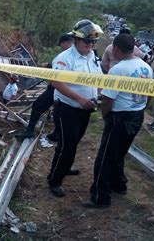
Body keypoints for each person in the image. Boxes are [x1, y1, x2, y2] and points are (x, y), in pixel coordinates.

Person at [82, 34, 153, 208]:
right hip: (137, 115)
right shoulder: (145, 67)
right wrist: (142, 107)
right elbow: (151, 93)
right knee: (119, 152)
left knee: (105, 158)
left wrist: (106, 116)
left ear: (116, 49)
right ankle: (119, 185)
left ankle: (100, 196)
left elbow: (107, 100)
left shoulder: (119, 70)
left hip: (120, 117)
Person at [47, 19, 103, 198]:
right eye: (88, 42)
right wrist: (79, 98)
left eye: (94, 42)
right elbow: (56, 82)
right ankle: (54, 179)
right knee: (67, 145)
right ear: (77, 40)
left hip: (86, 108)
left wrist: (100, 94)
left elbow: (99, 78)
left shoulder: (92, 56)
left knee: (73, 142)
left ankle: (66, 166)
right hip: (68, 108)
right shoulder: (64, 59)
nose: (91, 45)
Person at [15, 34, 73, 140]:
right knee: (58, 112)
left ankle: (30, 131)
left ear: (66, 43)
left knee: (38, 105)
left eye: (61, 44)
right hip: (64, 88)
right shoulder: (72, 55)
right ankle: (57, 133)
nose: (61, 46)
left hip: (57, 87)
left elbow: (56, 69)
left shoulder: (66, 55)